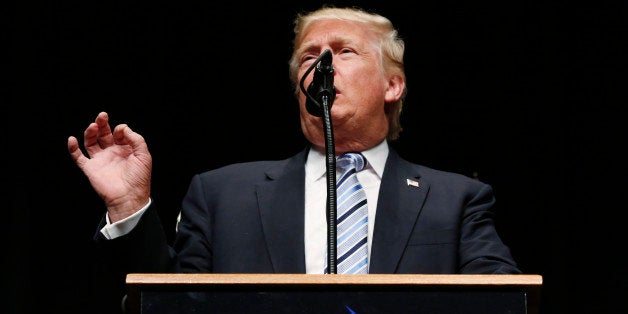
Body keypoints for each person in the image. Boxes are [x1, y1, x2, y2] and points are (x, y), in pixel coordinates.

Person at [68, 5, 520, 281]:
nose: (323, 65)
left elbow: (502, 299)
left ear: (393, 86)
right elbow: (168, 300)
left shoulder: (456, 200)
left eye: (344, 51)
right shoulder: (223, 194)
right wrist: (130, 208)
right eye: (309, 56)